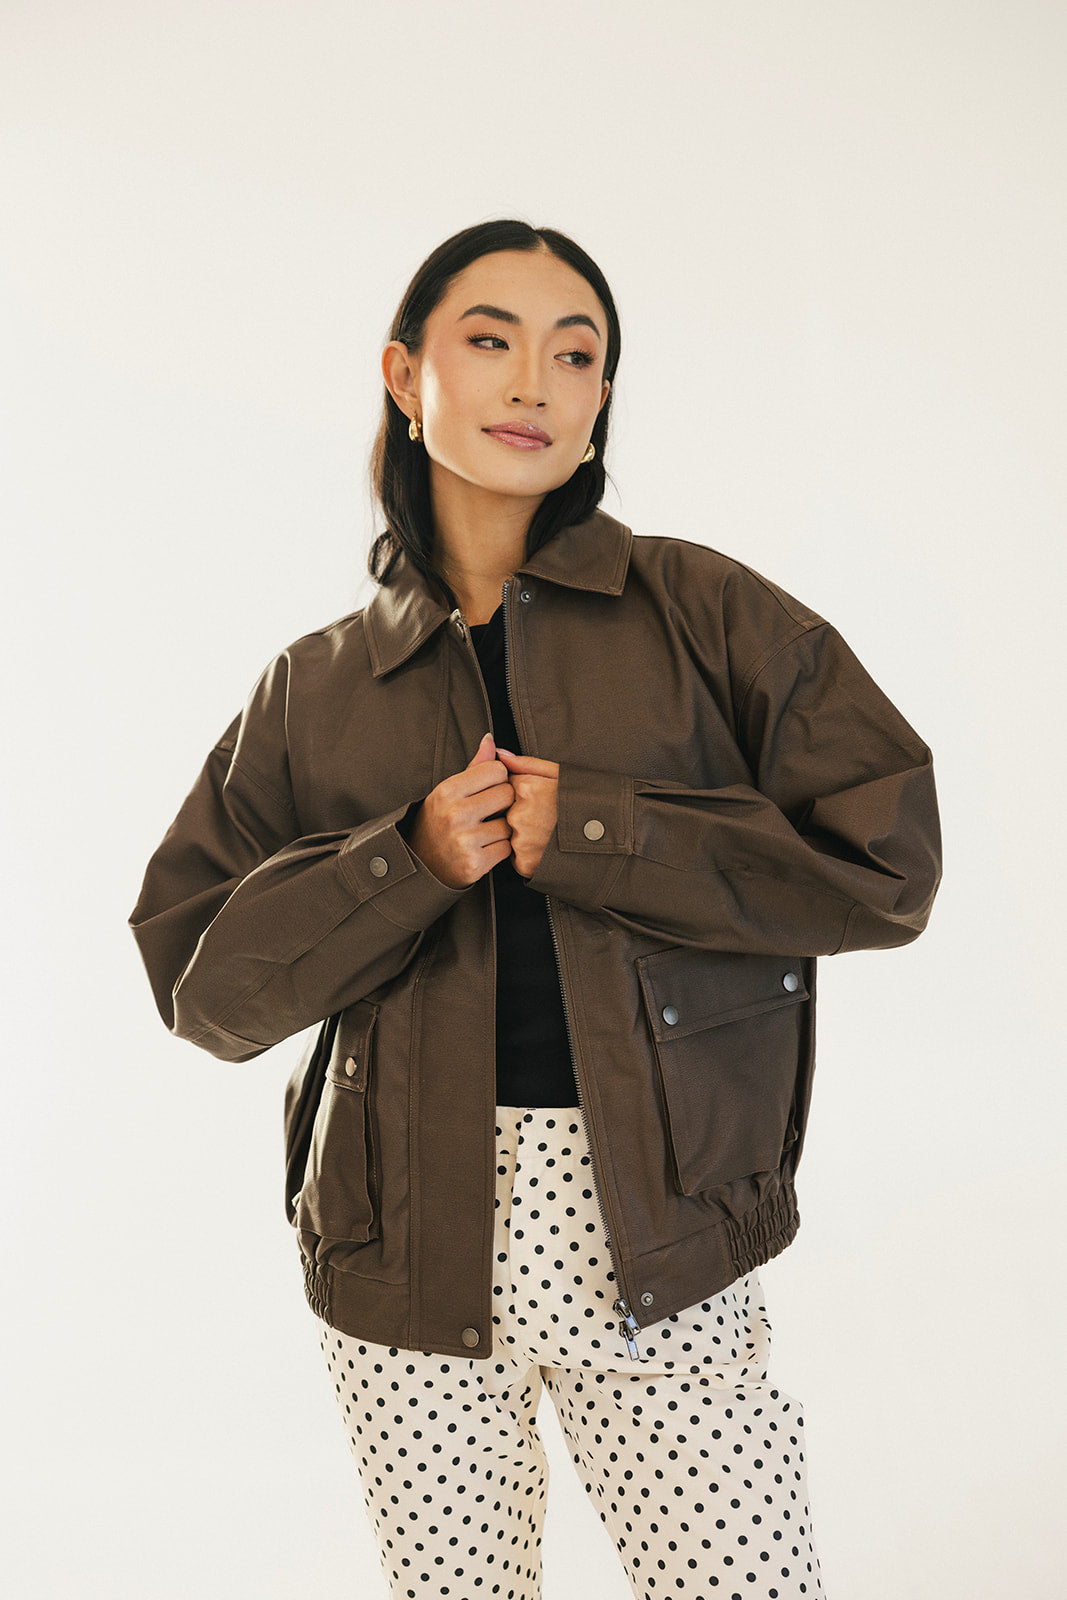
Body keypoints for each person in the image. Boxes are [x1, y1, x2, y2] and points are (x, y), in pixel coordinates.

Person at [130, 219, 941, 1600]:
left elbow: (887, 859)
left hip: (664, 1228)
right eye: (491, 340)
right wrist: (404, 860)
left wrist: (610, 833)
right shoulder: (318, 686)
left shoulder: (708, 613)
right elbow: (206, 990)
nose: (535, 384)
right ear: (406, 375)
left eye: (576, 355)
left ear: (603, 397)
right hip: (403, 1243)